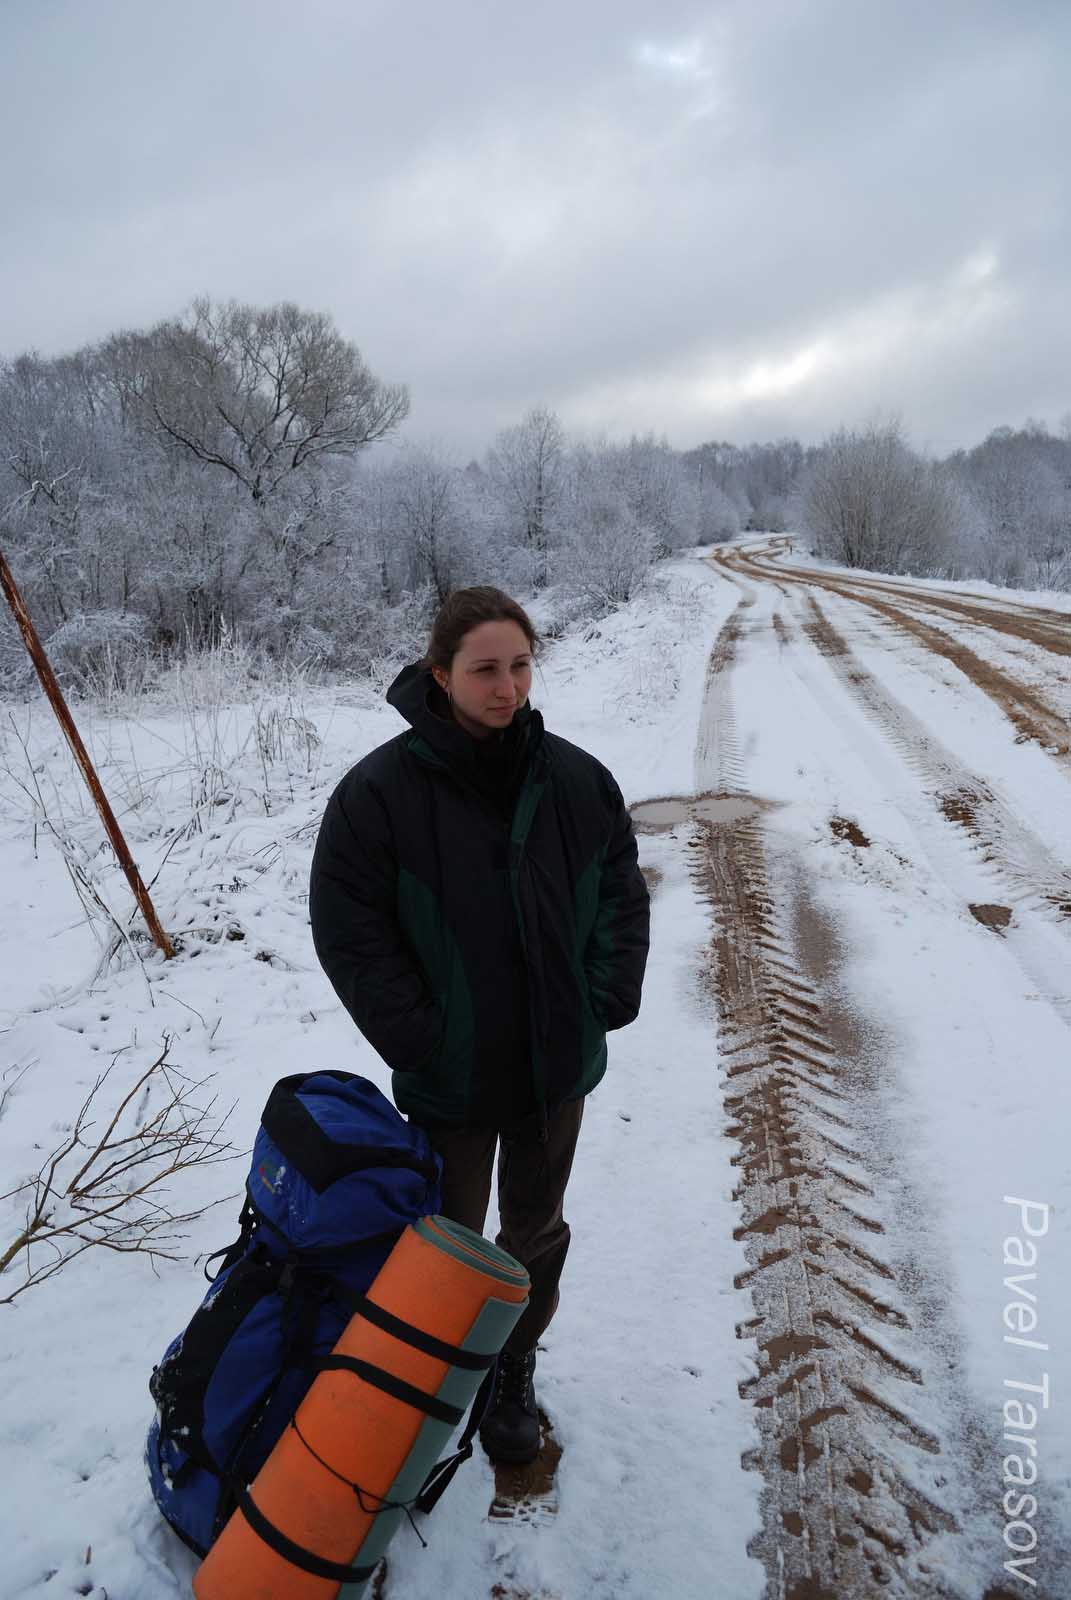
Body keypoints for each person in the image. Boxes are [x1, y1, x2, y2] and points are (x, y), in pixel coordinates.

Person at [308, 585, 650, 1463]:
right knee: (447, 1241)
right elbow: (348, 925)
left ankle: (510, 1368)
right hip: (452, 1073)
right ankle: (435, 1372)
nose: (507, 688)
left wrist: (605, 994)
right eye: (485, 670)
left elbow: (619, 885)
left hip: (551, 1066)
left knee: (534, 1232)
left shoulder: (576, 780)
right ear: (440, 674)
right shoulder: (379, 794)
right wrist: (419, 1035)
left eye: (521, 666)